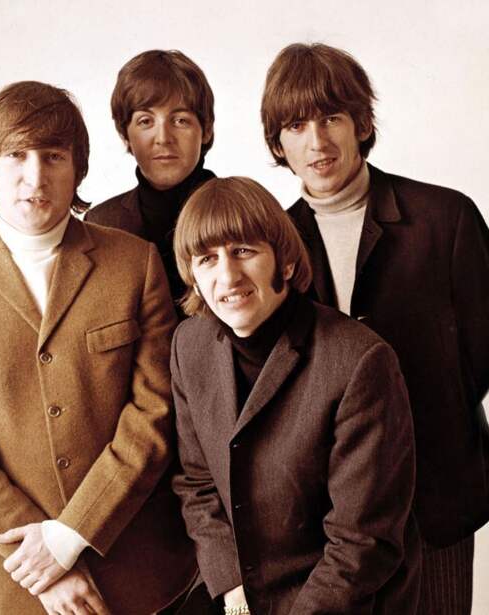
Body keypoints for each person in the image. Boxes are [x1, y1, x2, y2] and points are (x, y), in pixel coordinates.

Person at [0, 81, 196, 614]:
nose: (35, 176)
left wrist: (70, 537)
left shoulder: (135, 264)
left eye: (53, 156)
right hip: (12, 576)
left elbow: (155, 412)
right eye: (16, 156)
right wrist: (42, 569)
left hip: (136, 565)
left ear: (78, 169)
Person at [260, 43, 489, 614]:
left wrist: (421, 415)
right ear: (278, 144)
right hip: (326, 513)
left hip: (436, 496)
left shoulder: (445, 218)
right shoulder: (273, 243)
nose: (318, 142)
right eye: (297, 126)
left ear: (362, 123)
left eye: (331, 118)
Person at [170, 176, 421, 615]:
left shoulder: (360, 361)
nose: (227, 275)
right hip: (240, 595)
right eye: (207, 259)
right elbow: (197, 483)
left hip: (338, 601)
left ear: (284, 263)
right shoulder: (189, 344)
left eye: (243, 251)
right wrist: (232, 588)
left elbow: (361, 542)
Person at [85, 49, 215, 313]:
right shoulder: (100, 224)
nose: (163, 138)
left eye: (180, 120)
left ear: (206, 129)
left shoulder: (244, 211)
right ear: (125, 136)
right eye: (145, 121)